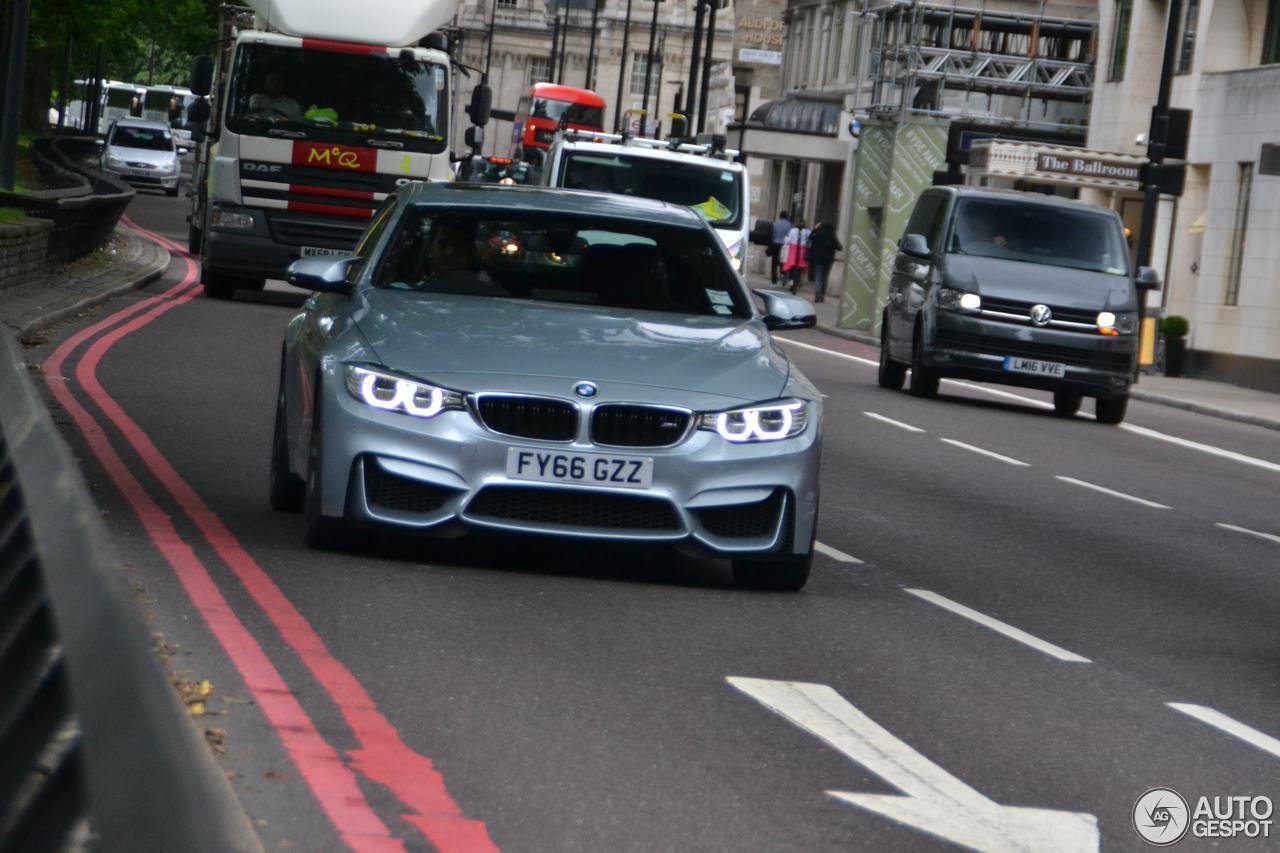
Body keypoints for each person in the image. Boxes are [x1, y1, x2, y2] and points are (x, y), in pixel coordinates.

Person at [807, 221, 843, 303]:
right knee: (824, 277)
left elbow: (810, 238)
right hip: (828, 260)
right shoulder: (832, 236)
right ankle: (822, 295)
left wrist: (815, 229)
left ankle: (817, 294)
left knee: (818, 276)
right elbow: (840, 247)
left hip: (818, 259)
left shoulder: (818, 235)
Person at [782, 216, 811, 295]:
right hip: (802, 250)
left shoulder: (792, 230)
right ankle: (796, 282)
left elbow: (788, 241)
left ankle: (791, 281)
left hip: (793, 250)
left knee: (792, 266)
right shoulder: (807, 231)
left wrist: (785, 240)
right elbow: (810, 239)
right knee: (800, 268)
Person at [769, 210, 792, 285]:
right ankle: (784, 276)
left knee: (774, 263)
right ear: (787, 216)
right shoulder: (789, 225)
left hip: (776, 244)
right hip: (785, 245)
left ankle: (774, 280)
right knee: (784, 261)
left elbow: (773, 235)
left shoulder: (775, 224)